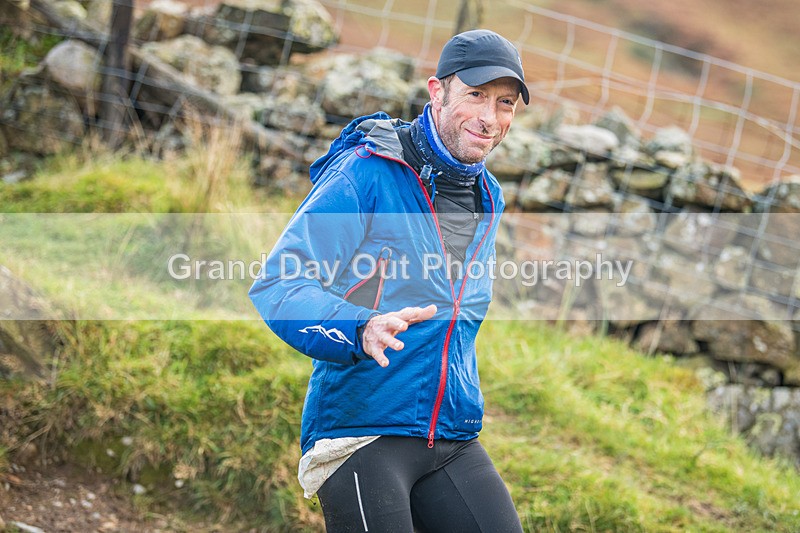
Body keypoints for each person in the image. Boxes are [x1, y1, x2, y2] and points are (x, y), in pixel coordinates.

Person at [249, 29, 529, 532]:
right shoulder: (368, 171)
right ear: (437, 91)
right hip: (360, 431)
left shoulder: (488, 195)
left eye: (505, 103)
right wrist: (360, 328)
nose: (490, 118)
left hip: (451, 432)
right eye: (476, 96)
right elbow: (280, 283)